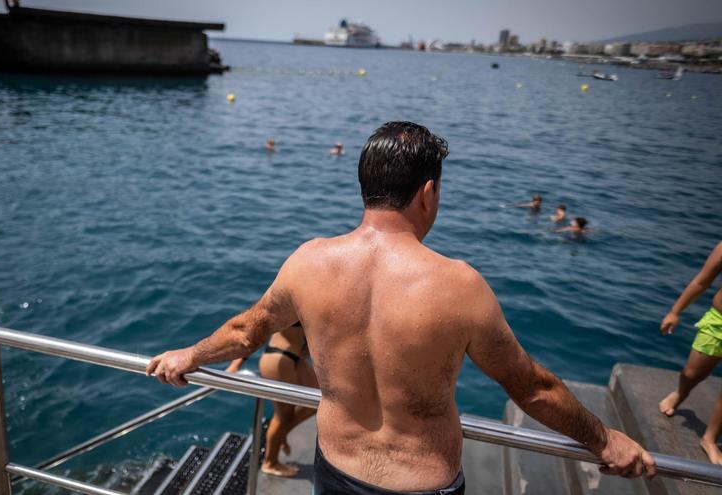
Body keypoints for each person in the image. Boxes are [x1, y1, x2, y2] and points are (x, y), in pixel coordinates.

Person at [147, 121, 654, 494]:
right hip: (421, 486)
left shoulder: (308, 262)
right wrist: (604, 438)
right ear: (428, 193)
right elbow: (532, 388)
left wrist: (188, 355)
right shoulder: (460, 285)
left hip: (335, 471)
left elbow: (244, 331)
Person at [657, 242, 722, 464]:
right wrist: (675, 312)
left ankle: (710, 438)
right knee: (692, 373)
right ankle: (681, 392)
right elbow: (702, 281)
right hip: (718, 324)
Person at [226, 322, 317, 477]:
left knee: (318, 398)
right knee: (283, 416)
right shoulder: (289, 300)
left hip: (293, 359)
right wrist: (235, 365)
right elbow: (258, 333)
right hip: (278, 359)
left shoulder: (311, 299)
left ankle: (282, 435)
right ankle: (270, 463)